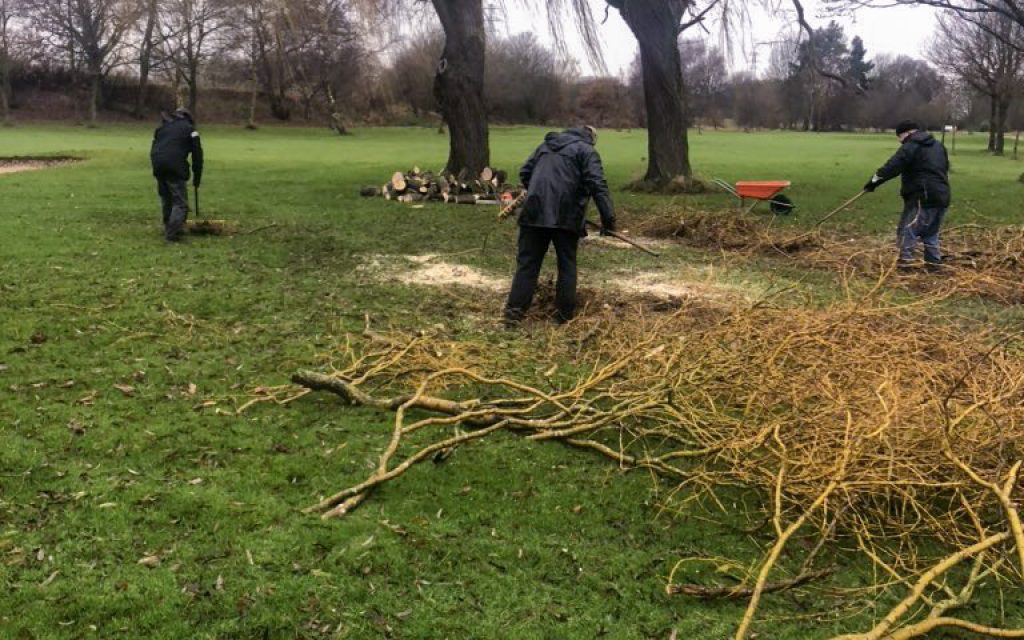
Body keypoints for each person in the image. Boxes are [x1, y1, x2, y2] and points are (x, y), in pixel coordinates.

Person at [504, 125, 616, 325]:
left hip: (534, 212)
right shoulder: (586, 151)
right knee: (566, 264)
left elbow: (525, 172)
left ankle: (514, 312)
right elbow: (597, 184)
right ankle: (563, 315)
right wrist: (608, 220)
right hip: (566, 215)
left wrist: (539, 192)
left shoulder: (545, 146)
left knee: (527, 264)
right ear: (591, 138)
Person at [863, 120, 950, 270]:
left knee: (907, 230)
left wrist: (873, 182)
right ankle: (934, 263)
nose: (900, 142)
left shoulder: (911, 146)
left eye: (900, 138)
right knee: (931, 232)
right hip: (942, 195)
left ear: (907, 133)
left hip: (922, 196)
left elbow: (892, 166)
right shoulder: (938, 146)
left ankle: (906, 263)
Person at [150, 107, 203, 242]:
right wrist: (197, 178)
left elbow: (155, 146)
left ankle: (169, 226)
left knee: (167, 198)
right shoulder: (190, 130)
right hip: (174, 165)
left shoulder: (163, 127)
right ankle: (172, 234)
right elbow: (197, 156)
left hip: (158, 164)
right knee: (180, 203)